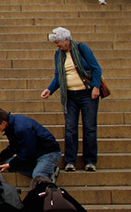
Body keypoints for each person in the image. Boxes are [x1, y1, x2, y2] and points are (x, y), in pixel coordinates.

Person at [42, 27, 102, 172]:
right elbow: (58, 75)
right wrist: (50, 89)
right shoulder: (59, 54)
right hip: (70, 95)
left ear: (66, 40)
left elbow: (96, 68)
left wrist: (95, 86)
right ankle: (70, 161)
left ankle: (90, 161)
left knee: (89, 128)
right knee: (70, 129)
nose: (57, 45)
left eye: (58, 42)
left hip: (87, 94)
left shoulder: (82, 49)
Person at [0, 108, 61, 187]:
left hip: (49, 153)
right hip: (36, 153)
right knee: (10, 164)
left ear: (3, 123)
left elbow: (27, 151)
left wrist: (11, 164)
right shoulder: (11, 127)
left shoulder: (21, 128)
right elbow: (14, 147)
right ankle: (48, 170)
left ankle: (47, 184)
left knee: (38, 175)